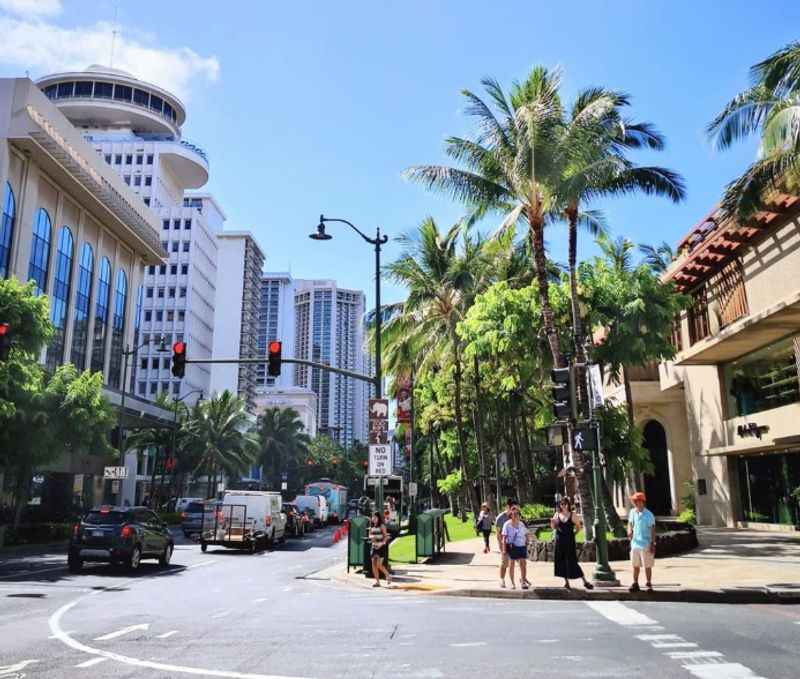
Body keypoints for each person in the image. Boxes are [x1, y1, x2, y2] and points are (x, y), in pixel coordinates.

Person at [551, 497, 594, 590]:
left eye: (565, 504)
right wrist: (553, 523)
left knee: (572, 561)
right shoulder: (557, 514)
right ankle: (566, 582)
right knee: (561, 561)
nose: (564, 506)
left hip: (569, 541)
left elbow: (578, 527)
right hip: (560, 541)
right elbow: (553, 527)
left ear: (568, 505)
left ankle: (585, 581)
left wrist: (573, 534)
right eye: (562, 504)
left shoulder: (573, 515)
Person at [627, 491, 656, 592]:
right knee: (635, 565)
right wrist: (629, 530)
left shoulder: (649, 515)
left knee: (647, 565)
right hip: (635, 543)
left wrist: (653, 543)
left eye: (637, 501)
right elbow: (630, 523)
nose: (635, 502)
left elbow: (653, 530)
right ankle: (635, 583)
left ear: (642, 502)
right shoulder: (632, 512)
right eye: (634, 501)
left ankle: (648, 583)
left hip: (646, 543)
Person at [501, 505, 529, 590]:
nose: (516, 515)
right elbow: (504, 538)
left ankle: (523, 581)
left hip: (522, 546)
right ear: (511, 515)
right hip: (512, 546)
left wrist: (527, 541)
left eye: (517, 514)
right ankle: (512, 583)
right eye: (514, 514)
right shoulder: (507, 524)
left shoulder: (521, 524)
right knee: (511, 564)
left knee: (523, 564)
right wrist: (504, 550)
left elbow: (526, 534)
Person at [495, 498, 516, 588]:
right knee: (504, 563)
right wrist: (501, 546)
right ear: (508, 507)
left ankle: (515, 581)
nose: (514, 510)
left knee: (513, 563)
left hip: (514, 543)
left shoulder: (514, 516)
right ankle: (502, 579)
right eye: (512, 508)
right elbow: (498, 533)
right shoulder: (500, 518)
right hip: (504, 544)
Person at [368, 511, 392, 588]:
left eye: (375, 517)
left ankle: (387, 575)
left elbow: (385, 536)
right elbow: (370, 535)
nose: (373, 519)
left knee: (379, 565)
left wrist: (381, 543)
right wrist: (371, 537)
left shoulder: (382, 526)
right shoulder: (371, 526)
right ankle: (377, 582)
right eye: (373, 517)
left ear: (378, 518)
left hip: (381, 547)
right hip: (374, 547)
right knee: (373, 565)